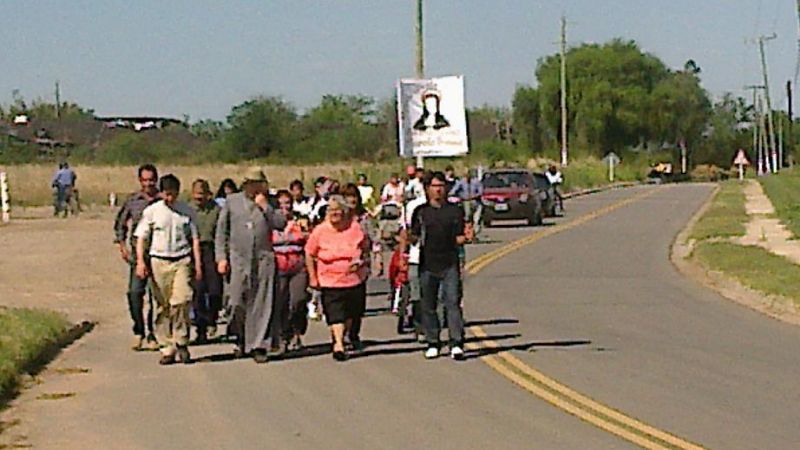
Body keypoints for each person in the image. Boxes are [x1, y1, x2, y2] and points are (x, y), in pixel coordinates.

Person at [215, 167, 287, 363]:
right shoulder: (232, 202)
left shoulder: (270, 201)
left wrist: (266, 207)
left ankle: (259, 344)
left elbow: (281, 223)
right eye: (251, 184)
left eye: (258, 184)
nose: (254, 187)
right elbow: (221, 232)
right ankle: (240, 336)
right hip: (238, 259)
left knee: (262, 302)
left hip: (263, 258)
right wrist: (221, 257)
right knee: (236, 301)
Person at [134, 174, 202, 365]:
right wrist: (141, 262)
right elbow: (141, 237)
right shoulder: (152, 211)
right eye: (166, 194)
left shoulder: (186, 212)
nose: (169, 198)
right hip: (159, 261)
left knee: (181, 300)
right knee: (163, 305)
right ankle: (166, 347)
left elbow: (195, 239)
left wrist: (198, 264)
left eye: (172, 194)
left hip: (181, 259)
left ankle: (181, 340)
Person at [409, 171, 467, 361]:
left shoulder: (455, 210)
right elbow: (414, 237)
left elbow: (461, 234)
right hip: (427, 264)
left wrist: (464, 237)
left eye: (441, 186)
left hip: (449, 262)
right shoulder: (421, 212)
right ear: (427, 189)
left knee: (452, 302)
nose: (438, 190)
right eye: (434, 186)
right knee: (428, 304)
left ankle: (456, 342)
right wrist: (405, 238)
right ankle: (433, 341)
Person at [305, 195, 370, 362]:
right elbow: (310, 253)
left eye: (338, 211)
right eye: (331, 211)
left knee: (352, 312)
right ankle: (339, 345)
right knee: (335, 312)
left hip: (354, 278)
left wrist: (362, 262)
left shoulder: (355, 228)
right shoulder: (320, 231)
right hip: (330, 278)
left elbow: (365, 248)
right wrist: (313, 277)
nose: (335, 214)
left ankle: (342, 335)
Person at [113, 164, 160, 351]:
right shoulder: (133, 201)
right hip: (137, 255)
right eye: (145, 180)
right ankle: (138, 329)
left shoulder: (162, 200)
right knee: (134, 293)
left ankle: (153, 333)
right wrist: (122, 246)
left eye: (151, 180)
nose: (148, 183)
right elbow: (120, 224)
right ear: (140, 181)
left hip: (159, 253)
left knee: (156, 297)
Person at [271, 190, 310, 352]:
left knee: (298, 300)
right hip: (278, 266)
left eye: (287, 203)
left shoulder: (301, 220)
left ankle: (297, 331)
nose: (284, 207)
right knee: (280, 302)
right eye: (281, 204)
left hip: (298, 265)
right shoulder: (269, 222)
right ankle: (283, 335)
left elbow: (309, 238)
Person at [189, 179, 223, 344]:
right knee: (198, 290)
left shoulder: (216, 209)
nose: (199, 199)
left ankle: (213, 318)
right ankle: (200, 327)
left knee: (215, 289)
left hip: (212, 249)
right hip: (194, 250)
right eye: (196, 196)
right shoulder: (189, 210)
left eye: (202, 195)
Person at [341, 183, 371, 351]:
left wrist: (377, 257)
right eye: (348, 197)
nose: (352, 200)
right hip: (341, 264)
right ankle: (341, 334)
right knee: (342, 302)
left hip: (361, 265)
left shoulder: (364, 218)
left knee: (357, 303)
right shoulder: (338, 218)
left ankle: (354, 334)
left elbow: (373, 240)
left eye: (354, 196)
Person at [449, 169, 484, 237]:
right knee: (467, 219)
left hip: (476, 202)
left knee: (477, 219)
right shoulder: (461, 182)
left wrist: (474, 196)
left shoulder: (476, 181)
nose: (467, 176)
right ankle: (469, 234)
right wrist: (457, 196)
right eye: (465, 174)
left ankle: (475, 233)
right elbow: (453, 191)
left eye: (468, 174)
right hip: (466, 202)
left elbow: (481, 191)